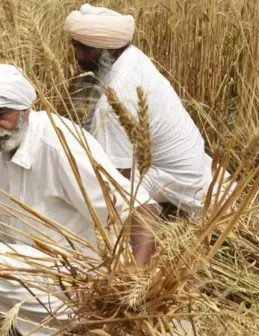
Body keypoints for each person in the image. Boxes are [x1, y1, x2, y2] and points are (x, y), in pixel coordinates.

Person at [0, 63, 160, 336]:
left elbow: (141, 207)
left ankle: (76, 324)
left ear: (23, 108)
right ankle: (39, 295)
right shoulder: (12, 139)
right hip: (47, 241)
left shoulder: (60, 148)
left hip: (89, 265)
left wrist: (134, 276)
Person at [64, 4, 233, 218]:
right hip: (191, 166)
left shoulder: (117, 98)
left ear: (110, 49)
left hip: (181, 184)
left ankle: (149, 215)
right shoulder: (131, 57)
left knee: (82, 185)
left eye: (86, 49)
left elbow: (117, 175)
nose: (78, 56)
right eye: (75, 46)